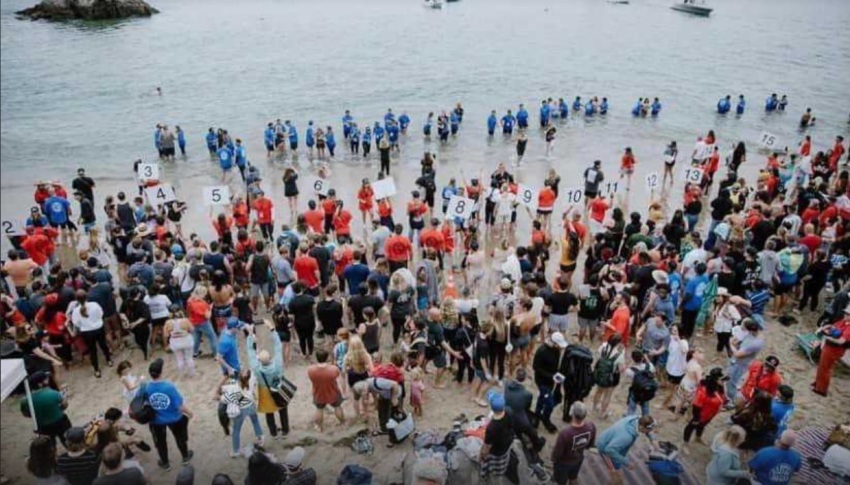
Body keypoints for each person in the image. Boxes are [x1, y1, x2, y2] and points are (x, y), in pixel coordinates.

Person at [145, 358, 194, 471]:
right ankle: (185, 457)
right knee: (180, 438)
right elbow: (179, 405)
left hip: (156, 420)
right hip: (174, 418)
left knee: (160, 442)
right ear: (161, 372)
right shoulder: (169, 386)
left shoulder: (146, 387)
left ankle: (165, 463)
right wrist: (190, 413)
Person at [596, 415, 657, 485]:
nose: (650, 431)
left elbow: (647, 425)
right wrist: (627, 462)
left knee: (617, 466)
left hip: (613, 441)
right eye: (649, 429)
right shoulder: (627, 437)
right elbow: (609, 450)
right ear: (641, 427)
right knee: (616, 473)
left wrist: (653, 438)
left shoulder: (635, 418)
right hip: (605, 447)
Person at [20, 371, 71, 447]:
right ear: (39, 384)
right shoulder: (53, 393)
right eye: (45, 379)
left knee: (49, 446)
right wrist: (64, 398)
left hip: (43, 426)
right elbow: (64, 406)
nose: (48, 379)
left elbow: (26, 414)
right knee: (68, 441)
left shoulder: (25, 400)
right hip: (60, 422)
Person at [220, 369, 264, 458]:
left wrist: (227, 379)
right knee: (255, 422)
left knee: (236, 430)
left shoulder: (234, 388)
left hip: (241, 409)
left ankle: (236, 451)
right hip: (251, 405)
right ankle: (260, 439)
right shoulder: (251, 381)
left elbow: (223, 399)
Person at [68, 290, 112, 378]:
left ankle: (96, 369)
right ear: (86, 296)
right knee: (103, 345)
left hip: (87, 332)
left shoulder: (75, 311)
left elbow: (76, 324)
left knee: (92, 351)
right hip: (98, 328)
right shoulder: (94, 305)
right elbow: (101, 315)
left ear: (77, 300)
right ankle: (109, 360)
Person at [551, 402, 596, 485]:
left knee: (560, 482)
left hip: (563, 464)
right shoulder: (591, 426)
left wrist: (554, 459)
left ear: (572, 414)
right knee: (573, 478)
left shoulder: (565, 434)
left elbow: (557, 453)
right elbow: (590, 444)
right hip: (578, 459)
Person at [532, 331, 568, 433]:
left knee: (542, 398)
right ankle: (545, 419)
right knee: (550, 403)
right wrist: (551, 376)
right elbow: (536, 367)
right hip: (542, 381)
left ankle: (537, 415)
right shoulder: (541, 351)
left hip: (552, 380)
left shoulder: (556, 351)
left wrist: (557, 374)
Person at [812, 306, 850, 396]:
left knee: (825, 368)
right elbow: (832, 326)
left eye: (848, 314)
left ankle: (821, 390)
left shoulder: (848, 328)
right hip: (829, 347)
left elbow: (841, 341)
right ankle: (817, 383)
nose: (846, 315)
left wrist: (827, 337)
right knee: (822, 366)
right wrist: (823, 328)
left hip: (834, 349)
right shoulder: (843, 322)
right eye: (846, 313)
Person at [307, 348, 345, 431]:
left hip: (318, 392)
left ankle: (320, 427)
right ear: (327, 357)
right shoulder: (333, 369)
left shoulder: (311, 370)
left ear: (316, 357)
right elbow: (338, 375)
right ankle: (342, 423)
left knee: (319, 409)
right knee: (337, 407)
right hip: (333, 391)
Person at [479, 391, 514, 479]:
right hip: (507, 442)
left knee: (494, 466)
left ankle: (493, 474)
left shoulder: (491, 428)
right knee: (505, 458)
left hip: (497, 451)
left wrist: (482, 455)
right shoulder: (509, 411)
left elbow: (487, 446)